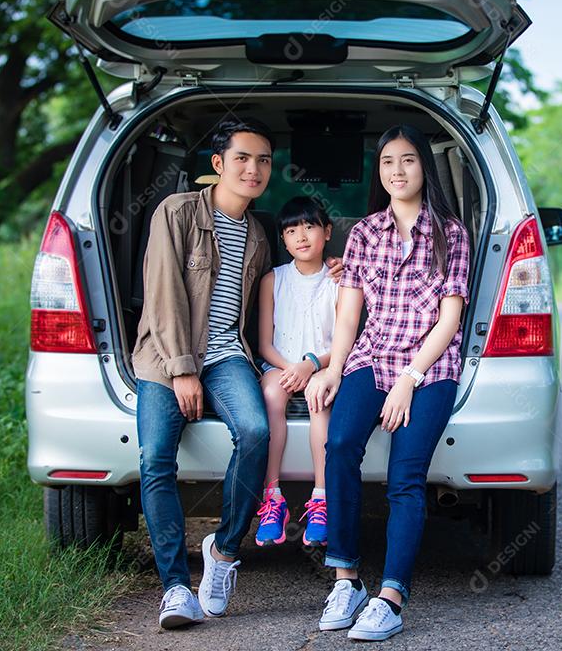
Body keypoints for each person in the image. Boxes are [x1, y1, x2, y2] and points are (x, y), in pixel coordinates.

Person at [130, 120, 342, 629]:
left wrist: (336, 273)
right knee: (156, 459)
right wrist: (183, 371)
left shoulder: (259, 233)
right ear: (218, 164)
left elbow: (282, 296)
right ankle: (176, 588)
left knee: (253, 431)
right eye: (243, 158)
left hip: (227, 355)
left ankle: (224, 553)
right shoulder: (176, 212)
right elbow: (163, 296)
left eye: (264, 160)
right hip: (165, 357)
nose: (254, 169)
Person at [305, 124, 471, 642]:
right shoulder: (364, 232)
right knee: (339, 446)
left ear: (425, 166)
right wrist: (333, 368)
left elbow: (449, 321)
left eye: (407, 161)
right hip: (371, 357)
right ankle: (347, 578)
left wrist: (410, 380)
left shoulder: (452, 233)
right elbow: (350, 310)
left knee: (405, 475)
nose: (397, 172)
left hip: (430, 367)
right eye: (387, 163)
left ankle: (391, 597)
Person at [254, 196, 340, 547]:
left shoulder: (340, 279)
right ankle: (272, 498)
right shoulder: (272, 280)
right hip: (280, 364)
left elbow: (345, 342)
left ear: (327, 232)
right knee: (273, 393)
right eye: (291, 230)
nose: (301, 236)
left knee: (318, 396)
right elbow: (264, 344)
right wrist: (292, 369)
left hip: (323, 365)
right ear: (283, 239)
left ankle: (321, 498)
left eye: (309, 226)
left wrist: (311, 366)